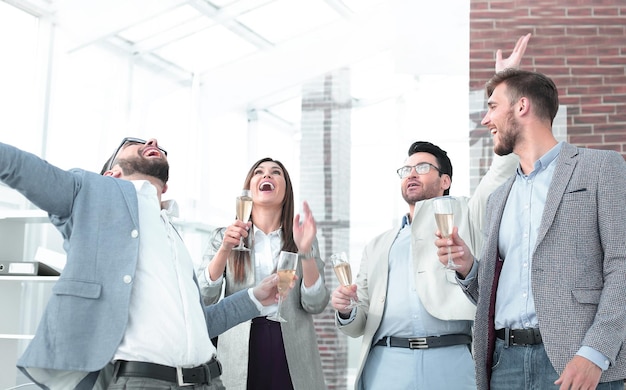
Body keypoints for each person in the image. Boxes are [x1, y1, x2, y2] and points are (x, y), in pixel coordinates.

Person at [3, 137, 290, 390]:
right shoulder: (90, 192)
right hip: (145, 382)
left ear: (166, 186)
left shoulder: (170, 234)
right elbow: (19, 167)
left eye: (158, 145)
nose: (152, 140)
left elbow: (203, 323)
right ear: (111, 173)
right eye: (134, 142)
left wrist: (254, 298)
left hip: (210, 380)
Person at [329, 34, 530, 390]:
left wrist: (508, 79)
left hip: (452, 364)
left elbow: (504, 165)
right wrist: (345, 309)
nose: (411, 174)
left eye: (422, 167)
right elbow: (358, 321)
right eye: (406, 170)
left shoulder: (469, 213)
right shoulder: (378, 245)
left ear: (445, 180)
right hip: (385, 365)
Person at [435, 69, 626, 389]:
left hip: (577, 363)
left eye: (493, 107)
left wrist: (596, 352)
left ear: (521, 106)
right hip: (504, 363)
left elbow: (622, 264)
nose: (485, 120)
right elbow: (495, 295)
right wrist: (468, 267)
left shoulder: (600, 167)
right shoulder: (499, 199)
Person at [197, 157, 330, 390]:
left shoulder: (302, 237)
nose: (266, 175)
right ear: (248, 189)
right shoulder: (224, 236)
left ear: (286, 191)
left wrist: (306, 252)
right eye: (259, 172)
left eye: (275, 172)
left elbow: (315, 304)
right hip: (240, 347)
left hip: (291, 349)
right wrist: (225, 249)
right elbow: (205, 296)